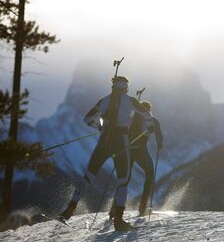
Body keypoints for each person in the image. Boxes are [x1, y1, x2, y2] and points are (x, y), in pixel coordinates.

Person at [59, 75, 154, 231]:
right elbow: (146, 114)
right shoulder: (131, 101)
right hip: (121, 143)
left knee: (88, 177)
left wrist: (98, 126)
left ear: (113, 87)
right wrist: (150, 127)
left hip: (103, 143)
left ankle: (68, 210)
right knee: (123, 180)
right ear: (126, 87)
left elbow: (87, 119)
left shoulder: (103, 101)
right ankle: (119, 220)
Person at [109, 101, 163, 218]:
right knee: (149, 173)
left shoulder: (130, 118)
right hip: (140, 151)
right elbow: (158, 133)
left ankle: (114, 208)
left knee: (125, 178)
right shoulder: (152, 120)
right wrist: (160, 143)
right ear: (149, 110)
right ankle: (143, 206)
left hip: (127, 150)